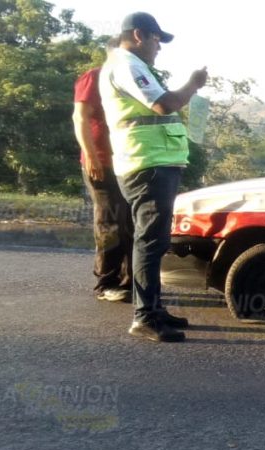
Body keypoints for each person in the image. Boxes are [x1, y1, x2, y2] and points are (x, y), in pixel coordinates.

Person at [99, 12, 207, 342]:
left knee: (153, 241)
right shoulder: (127, 65)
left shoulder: (130, 65)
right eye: (157, 39)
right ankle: (145, 316)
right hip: (147, 164)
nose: (159, 47)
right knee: (149, 241)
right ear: (139, 35)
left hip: (152, 163)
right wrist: (193, 84)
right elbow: (164, 105)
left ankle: (153, 309)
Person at [72, 37, 133, 303]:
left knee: (129, 222)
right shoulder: (94, 77)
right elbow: (80, 117)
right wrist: (92, 156)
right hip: (101, 162)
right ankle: (105, 283)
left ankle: (129, 282)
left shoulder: (128, 79)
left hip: (127, 162)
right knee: (110, 221)